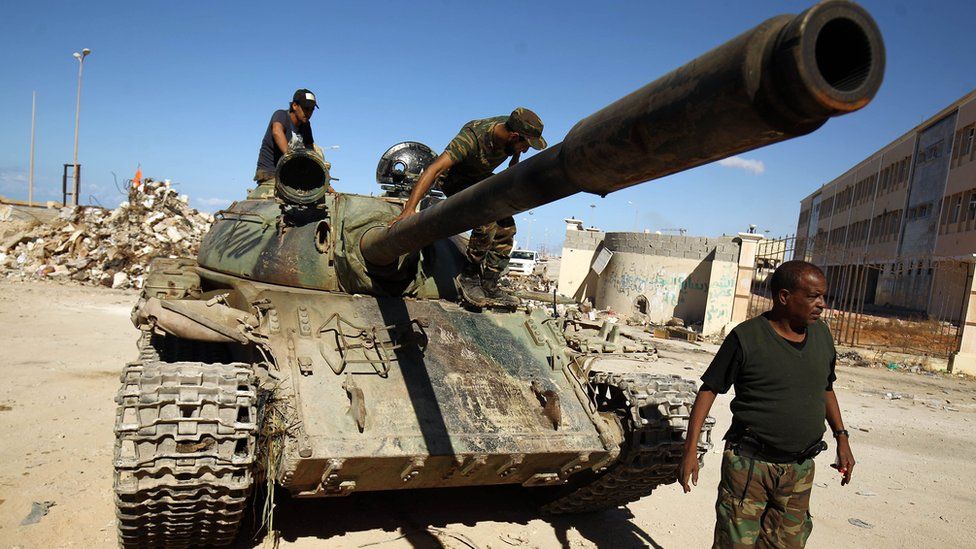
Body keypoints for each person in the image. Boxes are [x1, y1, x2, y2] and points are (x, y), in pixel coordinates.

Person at [678, 260, 855, 548]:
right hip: (750, 465)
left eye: (823, 296)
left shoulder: (822, 336)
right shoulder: (747, 338)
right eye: (812, 296)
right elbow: (709, 390)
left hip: (799, 469)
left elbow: (826, 388)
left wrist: (842, 438)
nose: (821, 304)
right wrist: (689, 452)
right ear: (784, 297)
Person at [390, 108, 547, 307]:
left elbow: (513, 158)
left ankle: (490, 282)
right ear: (514, 136)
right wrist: (409, 209)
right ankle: (469, 276)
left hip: (479, 177)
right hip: (453, 179)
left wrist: (514, 161)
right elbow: (434, 168)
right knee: (486, 216)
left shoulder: (511, 136)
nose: (525, 150)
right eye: (525, 145)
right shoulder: (472, 138)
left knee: (506, 223)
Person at [250, 89, 319, 199]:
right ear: (295, 105)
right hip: (270, 174)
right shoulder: (281, 115)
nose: (309, 113)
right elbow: (277, 132)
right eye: (306, 109)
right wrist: (291, 158)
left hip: (289, 177)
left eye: (312, 110)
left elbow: (311, 153)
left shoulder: (306, 126)